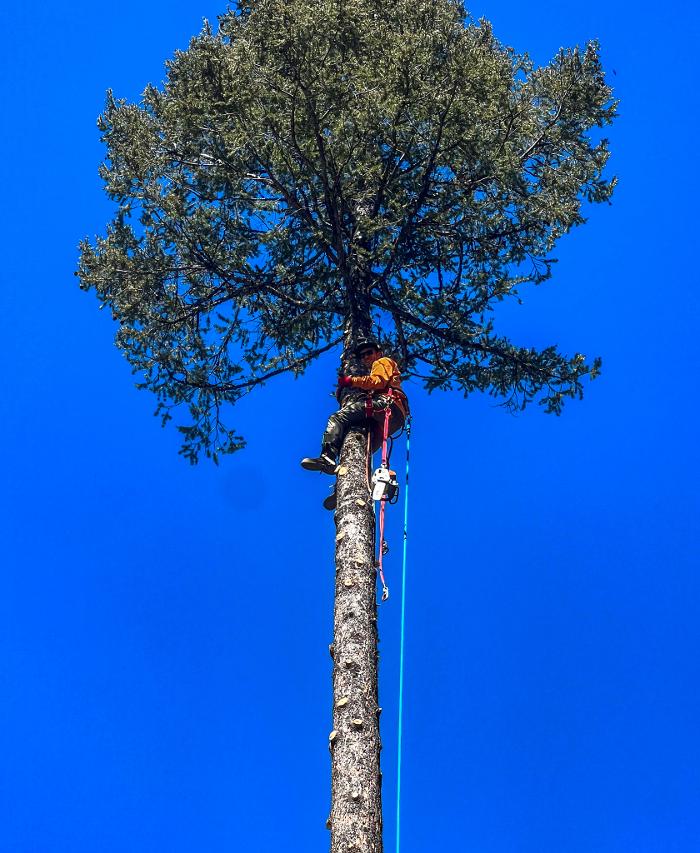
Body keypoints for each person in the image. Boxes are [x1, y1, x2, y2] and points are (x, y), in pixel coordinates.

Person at [300, 339, 409, 478]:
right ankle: (364, 481)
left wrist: (351, 381)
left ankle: (327, 457)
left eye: (369, 352)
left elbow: (378, 381)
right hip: (393, 415)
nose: (366, 357)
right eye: (362, 356)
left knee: (338, 418)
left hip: (387, 405)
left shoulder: (382, 362)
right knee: (364, 450)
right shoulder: (379, 368)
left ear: (378, 353)